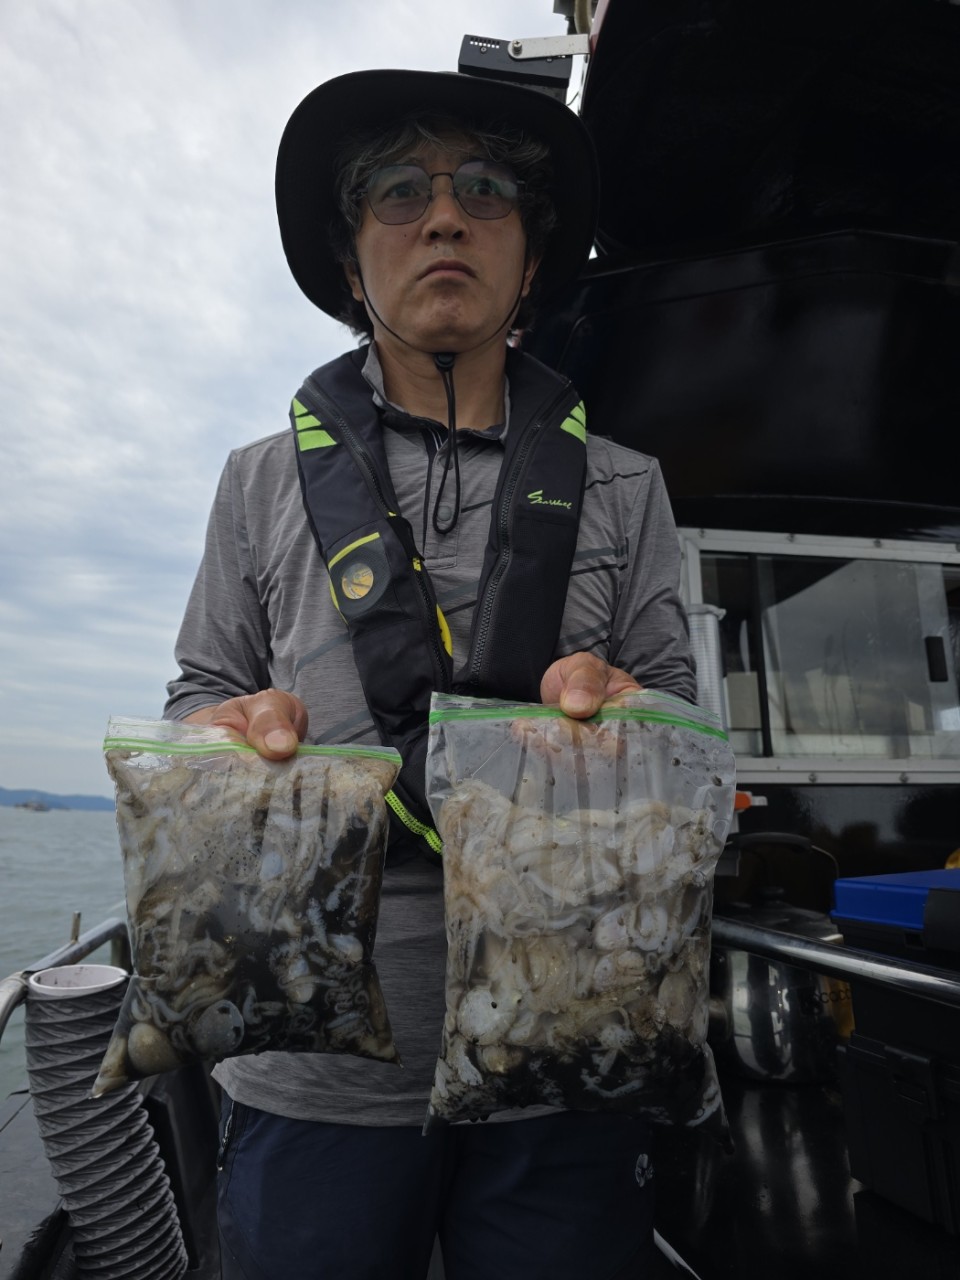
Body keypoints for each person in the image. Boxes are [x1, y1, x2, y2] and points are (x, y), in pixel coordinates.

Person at [165, 66, 697, 1280]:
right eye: (400, 191)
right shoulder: (257, 479)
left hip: (573, 1033)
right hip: (315, 1059)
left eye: (486, 190)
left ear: (531, 260)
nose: (446, 216)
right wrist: (224, 729)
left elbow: (677, 708)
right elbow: (197, 691)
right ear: (352, 267)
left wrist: (640, 718)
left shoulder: (629, 483)